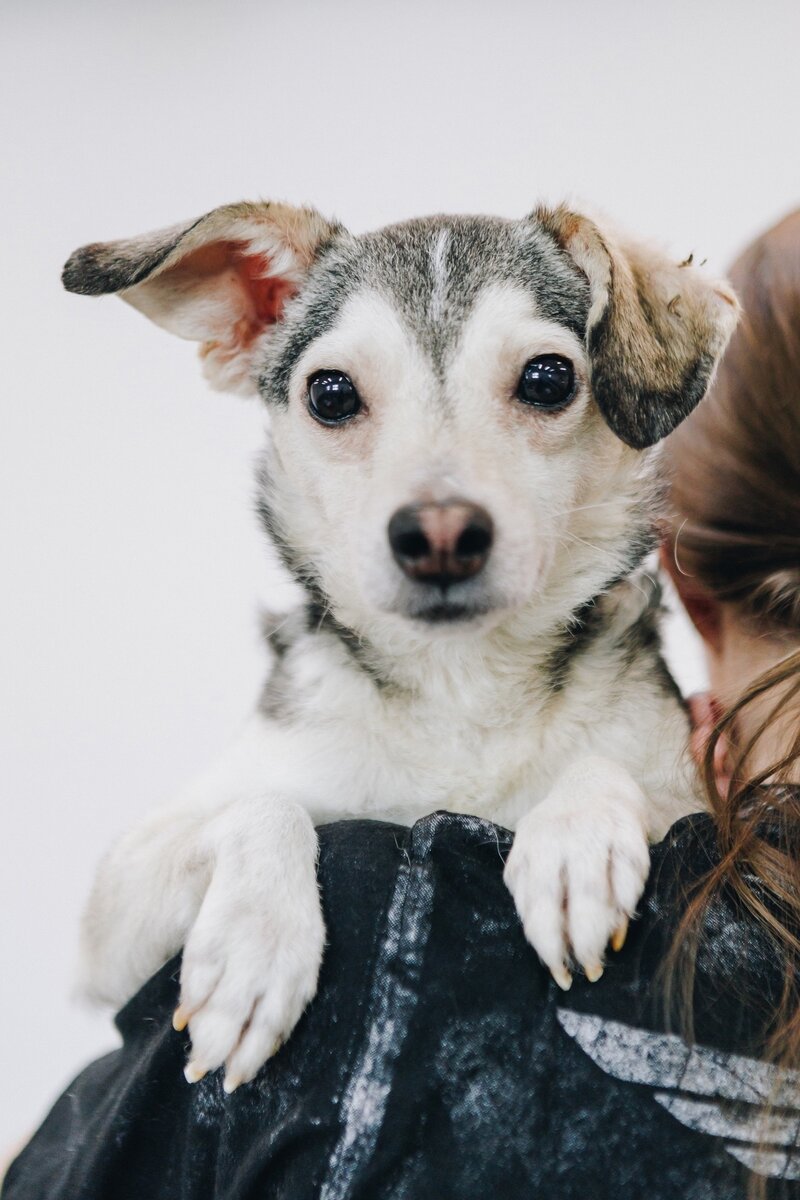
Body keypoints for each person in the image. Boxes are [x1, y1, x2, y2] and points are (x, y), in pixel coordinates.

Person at [4, 212, 799, 1200]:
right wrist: (259, 841)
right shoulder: (308, 732)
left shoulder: (650, 739)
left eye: (539, 384)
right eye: (337, 398)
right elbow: (107, 953)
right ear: (249, 325)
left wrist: (606, 793)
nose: (438, 508)